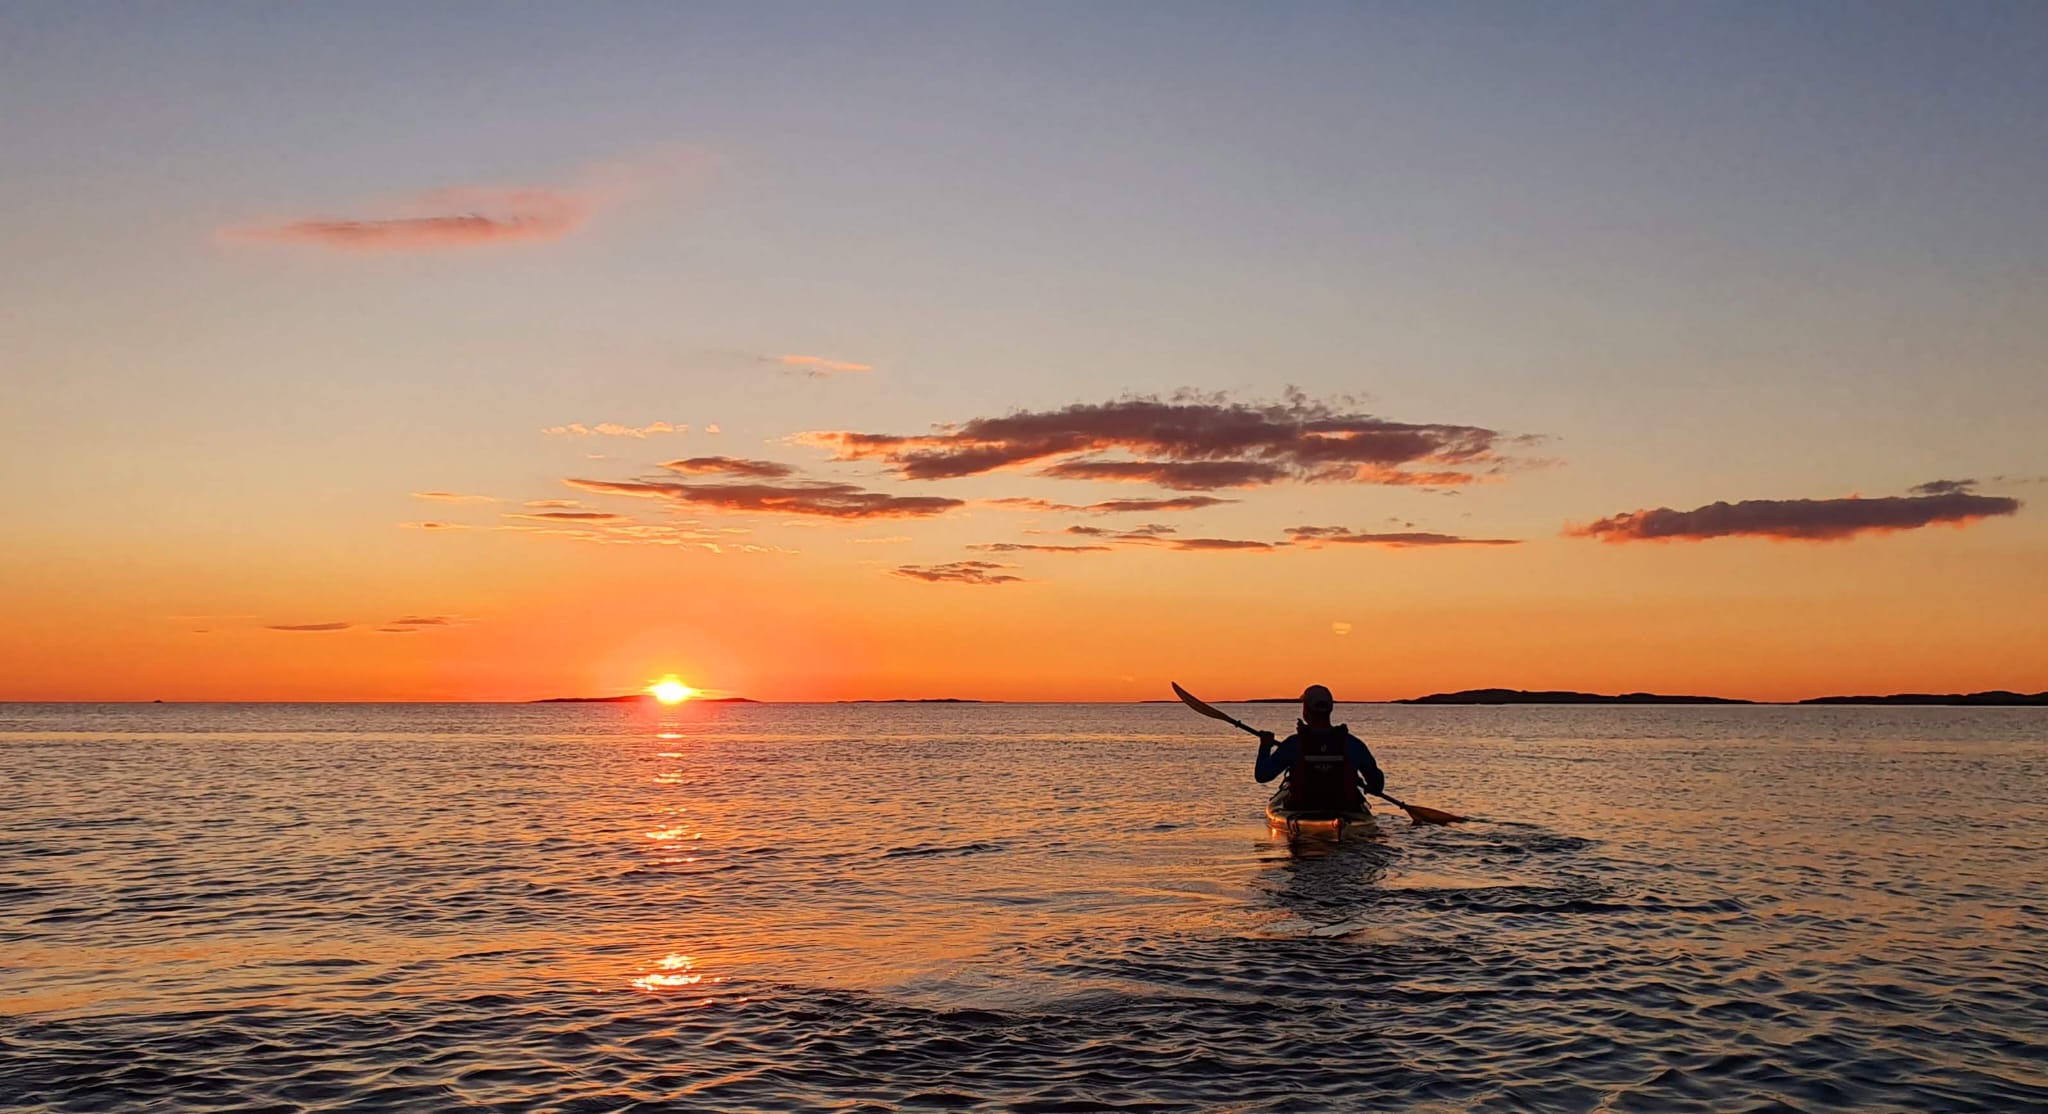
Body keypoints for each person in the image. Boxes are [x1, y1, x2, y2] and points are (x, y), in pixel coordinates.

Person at [1254, 684, 1384, 813]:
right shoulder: (1353, 744)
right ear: (1330, 709)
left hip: (1302, 809)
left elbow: (1262, 775)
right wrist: (1369, 786)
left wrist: (1265, 746)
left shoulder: (1293, 744)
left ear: (1306, 710)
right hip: (1346, 809)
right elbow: (1377, 785)